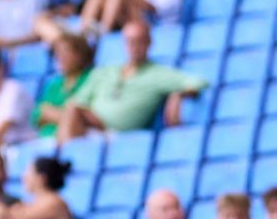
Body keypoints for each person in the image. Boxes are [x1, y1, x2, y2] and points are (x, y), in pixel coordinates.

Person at [51, 18, 207, 140]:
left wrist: (179, 94)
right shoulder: (104, 72)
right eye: (131, 41)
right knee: (72, 110)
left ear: (149, 43)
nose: (135, 46)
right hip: (90, 128)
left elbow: (198, 82)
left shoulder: (159, 73)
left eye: (140, 41)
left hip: (119, 136)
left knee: (72, 113)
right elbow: (78, 101)